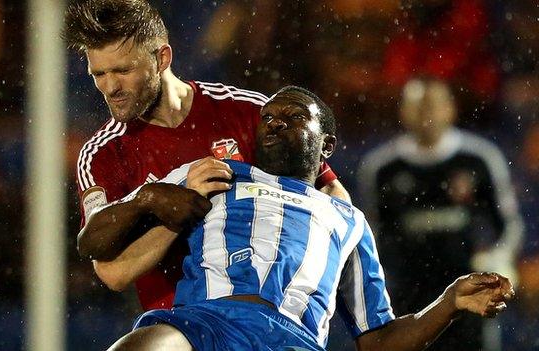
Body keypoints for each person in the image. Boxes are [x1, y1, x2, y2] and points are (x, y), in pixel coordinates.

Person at [80, 86, 514, 351]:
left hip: (290, 339)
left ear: (326, 145)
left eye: (293, 117)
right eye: (267, 117)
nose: (274, 123)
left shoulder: (347, 220)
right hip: (203, 324)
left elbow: (377, 340)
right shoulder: (213, 175)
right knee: (145, 346)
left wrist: (449, 303)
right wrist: (148, 199)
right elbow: (93, 243)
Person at [63, 0, 350, 311]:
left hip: (265, 316)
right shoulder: (102, 154)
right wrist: (174, 213)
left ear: (162, 58)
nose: (110, 87)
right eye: (99, 73)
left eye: (123, 70)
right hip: (180, 324)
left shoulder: (248, 111)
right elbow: (113, 273)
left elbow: (331, 193)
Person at [358, 77, 524, 350]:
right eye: (418, 106)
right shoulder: (382, 168)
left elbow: (509, 224)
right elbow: (370, 234)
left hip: (468, 290)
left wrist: (497, 259)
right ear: (403, 111)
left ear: (451, 109)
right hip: (408, 293)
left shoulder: (479, 159)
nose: (427, 114)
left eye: (433, 105)